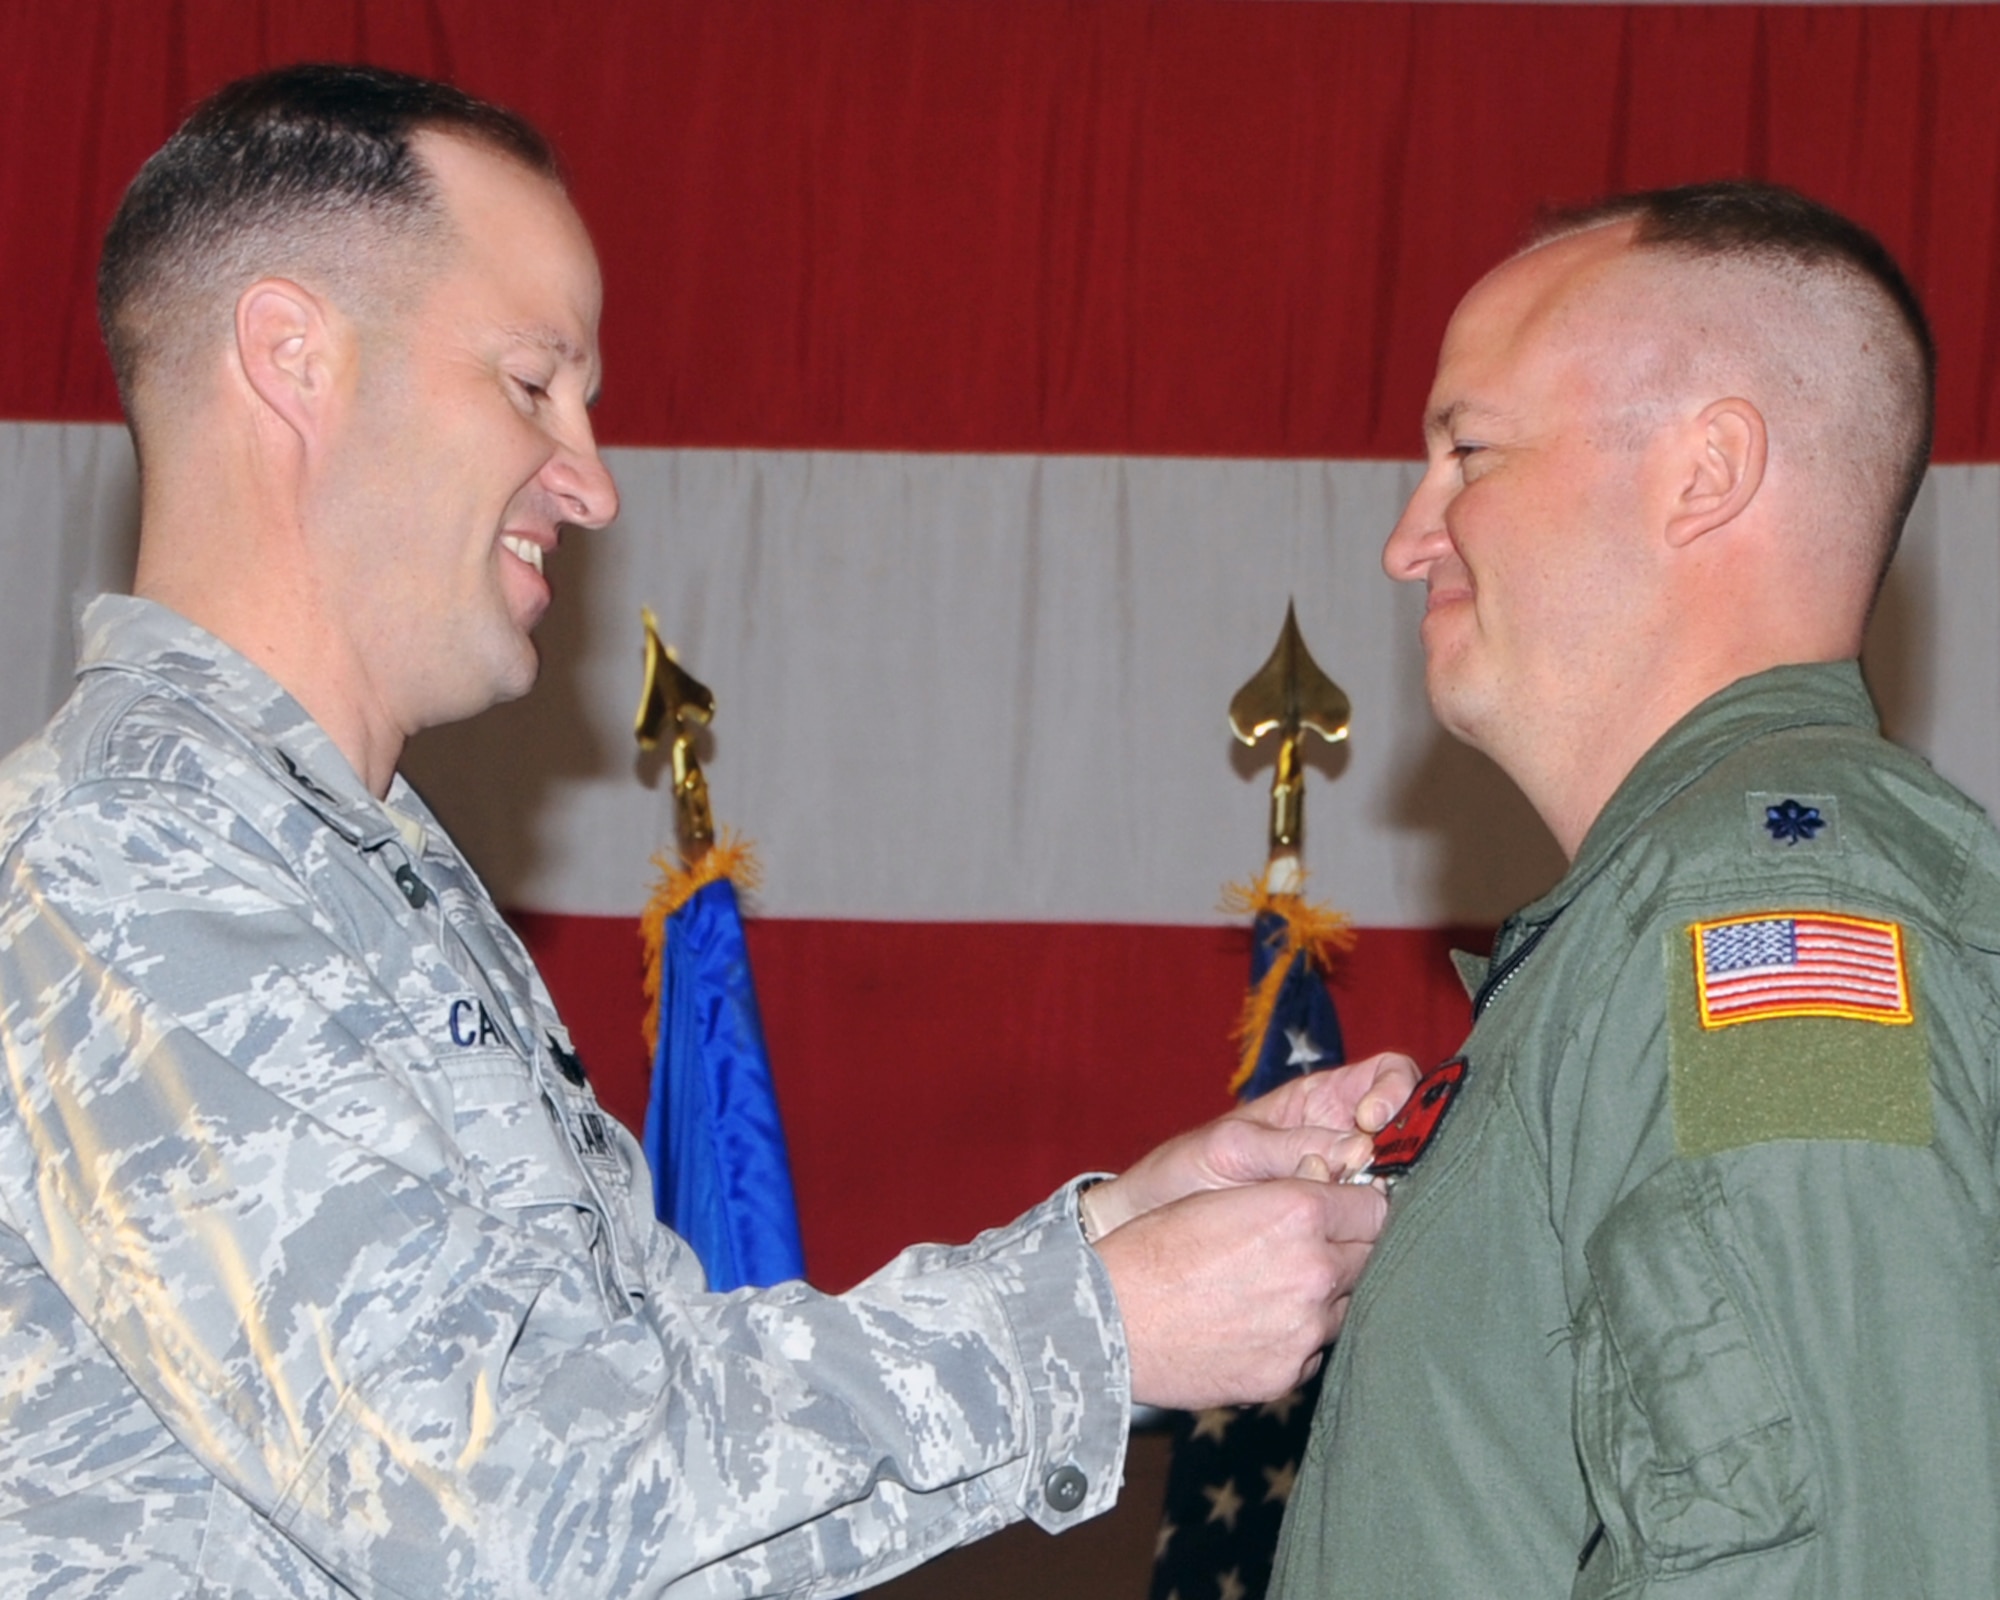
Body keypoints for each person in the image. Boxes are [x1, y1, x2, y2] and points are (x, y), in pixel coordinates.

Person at [0, 64, 1417, 1597]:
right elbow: (504, 1514)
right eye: (532, 383)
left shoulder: (354, 867)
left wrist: (1117, 1243)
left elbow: (655, 1444)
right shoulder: (126, 856)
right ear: (293, 357)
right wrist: (1097, 1320)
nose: (594, 483)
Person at [1268, 181, 2000, 1598]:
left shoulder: (1769, 920)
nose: (1409, 538)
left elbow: (1852, 1554)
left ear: (1706, 471)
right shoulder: (1653, 924)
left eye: (1467, 450)